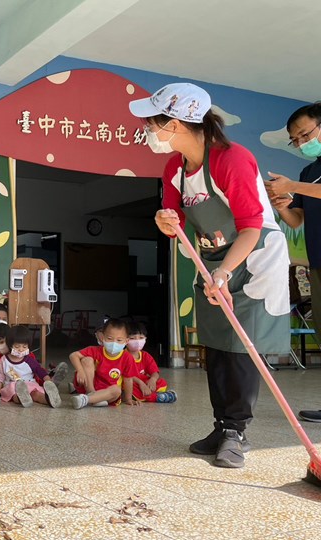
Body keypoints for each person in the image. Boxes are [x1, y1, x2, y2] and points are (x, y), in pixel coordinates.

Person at [131, 82, 290, 468]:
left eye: (154, 123)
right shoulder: (174, 168)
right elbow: (176, 223)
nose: (149, 132)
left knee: (241, 347)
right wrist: (164, 221)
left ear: (178, 122)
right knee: (217, 346)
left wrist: (225, 271)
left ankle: (237, 432)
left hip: (252, 257)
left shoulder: (231, 159)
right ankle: (221, 426)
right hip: (210, 257)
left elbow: (251, 226)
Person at [263, 102, 321, 423]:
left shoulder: (303, 180)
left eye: (305, 134)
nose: (301, 143)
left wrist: (294, 187)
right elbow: (297, 220)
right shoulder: (308, 171)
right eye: (295, 140)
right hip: (317, 262)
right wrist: (282, 203)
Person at [69, 318, 136, 410]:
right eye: (109, 338)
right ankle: (92, 395)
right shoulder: (95, 350)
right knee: (86, 360)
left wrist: (128, 399)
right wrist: (80, 371)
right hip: (90, 387)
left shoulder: (127, 358)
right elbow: (73, 355)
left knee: (117, 390)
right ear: (103, 337)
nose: (114, 343)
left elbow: (128, 380)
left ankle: (87, 400)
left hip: (108, 393)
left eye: (119, 340)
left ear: (126, 341)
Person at [0, 325, 61, 407]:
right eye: (17, 346)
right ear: (10, 345)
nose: (21, 349)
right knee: (14, 394)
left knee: (36, 394)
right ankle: (22, 398)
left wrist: (48, 380)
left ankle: (50, 400)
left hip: (29, 384)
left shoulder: (29, 360)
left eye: (24, 347)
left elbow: (39, 370)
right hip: (12, 385)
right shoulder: (4, 360)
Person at [126, 322, 177, 403]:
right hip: (131, 382)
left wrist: (152, 380)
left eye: (141, 337)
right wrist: (141, 383)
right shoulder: (123, 356)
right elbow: (125, 376)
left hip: (144, 381)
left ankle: (151, 395)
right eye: (132, 338)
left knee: (161, 382)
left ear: (145, 338)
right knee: (131, 388)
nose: (137, 341)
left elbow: (154, 371)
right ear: (125, 340)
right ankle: (157, 397)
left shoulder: (145, 355)